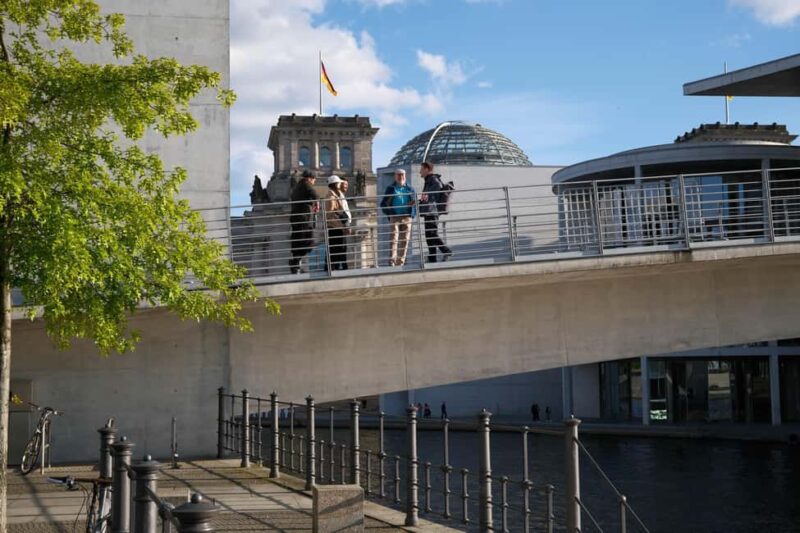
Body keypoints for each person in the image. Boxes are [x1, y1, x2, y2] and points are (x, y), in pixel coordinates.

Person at [380, 169, 416, 266]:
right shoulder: (391, 188)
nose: (401, 177)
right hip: (395, 216)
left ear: (405, 176)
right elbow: (383, 204)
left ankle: (401, 262)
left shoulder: (410, 189)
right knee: (394, 239)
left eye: (402, 175)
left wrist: (412, 214)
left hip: (407, 217)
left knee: (405, 240)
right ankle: (392, 260)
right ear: (395, 176)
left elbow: (415, 202)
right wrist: (390, 213)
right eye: (399, 175)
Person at [419, 161, 452, 263]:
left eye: (421, 169)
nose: (420, 172)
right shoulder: (429, 180)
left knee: (432, 233)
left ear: (427, 169)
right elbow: (427, 197)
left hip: (432, 211)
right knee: (429, 236)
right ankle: (432, 258)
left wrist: (423, 200)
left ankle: (447, 251)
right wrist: (418, 201)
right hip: (428, 211)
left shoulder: (433, 180)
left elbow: (432, 196)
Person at [289, 170, 319, 274]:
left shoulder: (298, 186)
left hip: (296, 217)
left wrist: (312, 203)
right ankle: (296, 262)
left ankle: (296, 262)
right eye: (314, 179)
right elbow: (315, 195)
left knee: (298, 240)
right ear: (310, 178)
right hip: (303, 218)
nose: (314, 182)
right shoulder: (306, 184)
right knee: (307, 241)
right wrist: (317, 203)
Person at [325, 175, 351, 270]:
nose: (341, 184)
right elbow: (331, 213)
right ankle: (334, 268)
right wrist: (343, 225)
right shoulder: (331, 196)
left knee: (339, 249)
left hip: (338, 226)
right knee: (337, 249)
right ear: (336, 184)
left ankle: (337, 267)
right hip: (335, 227)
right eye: (339, 183)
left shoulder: (335, 195)